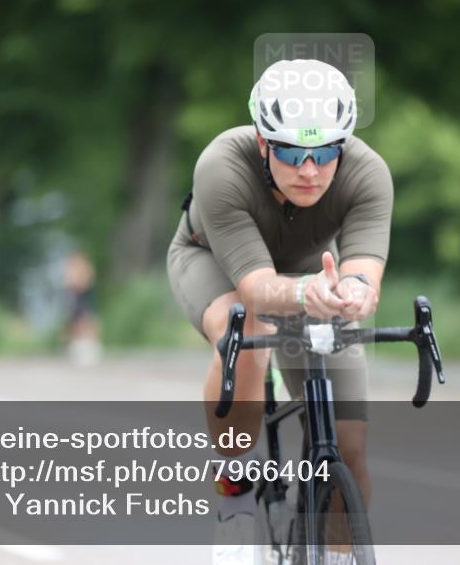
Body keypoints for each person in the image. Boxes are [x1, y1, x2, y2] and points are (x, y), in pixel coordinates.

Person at [166, 59, 394, 564]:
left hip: (312, 273)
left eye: (325, 152)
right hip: (215, 264)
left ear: (344, 145)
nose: (309, 170)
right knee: (245, 329)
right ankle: (235, 494)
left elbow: (362, 272)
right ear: (262, 142)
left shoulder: (368, 173)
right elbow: (257, 289)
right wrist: (304, 293)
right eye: (291, 152)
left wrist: (354, 294)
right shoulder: (221, 165)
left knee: (350, 448)